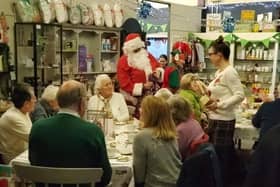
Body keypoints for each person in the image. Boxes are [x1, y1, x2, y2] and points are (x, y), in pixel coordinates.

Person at [29, 80, 112, 187]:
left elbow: (33, 163)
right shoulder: (93, 131)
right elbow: (105, 176)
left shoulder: (37, 128)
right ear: (82, 103)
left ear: (58, 102)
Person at [206, 36, 245, 186]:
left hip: (223, 120)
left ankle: (222, 182)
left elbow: (239, 95)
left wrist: (220, 105)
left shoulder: (230, 72)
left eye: (211, 54)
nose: (209, 57)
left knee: (221, 157)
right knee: (215, 155)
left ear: (219, 55)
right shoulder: (219, 73)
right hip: (215, 118)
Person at [133, 95, 182, 187]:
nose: (140, 110)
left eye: (142, 108)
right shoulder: (171, 133)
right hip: (177, 182)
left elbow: (139, 177)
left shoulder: (141, 137)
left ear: (148, 114)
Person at [0, 83, 36, 164]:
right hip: (13, 159)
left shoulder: (23, 111)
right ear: (26, 103)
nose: (35, 100)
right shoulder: (12, 117)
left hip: (23, 153)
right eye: (33, 98)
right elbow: (33, 138)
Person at [117, 33, 160, 99]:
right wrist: (143, 87)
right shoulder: (123, 61)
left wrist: (158, 72)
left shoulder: (147, 55)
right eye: (135, 50)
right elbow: (124, 83)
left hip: (151, 94)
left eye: (139, 49)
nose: (138, 52)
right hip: (132, 97)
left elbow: (157, 66)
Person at [167, 95, 205, 160]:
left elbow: (174, 154)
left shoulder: (180, 130)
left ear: (173, 112)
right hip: (198, 162)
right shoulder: (195, 122)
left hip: (186, 164)